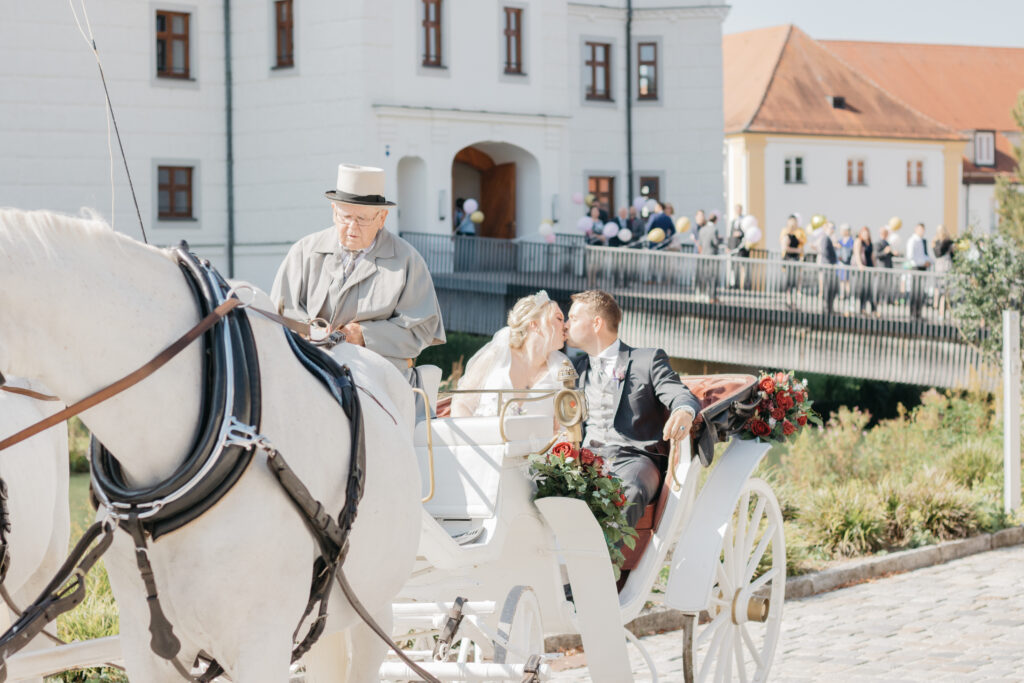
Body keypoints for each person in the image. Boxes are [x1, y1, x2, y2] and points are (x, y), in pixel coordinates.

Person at [271, 163, 446, 376]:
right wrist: (308, 331)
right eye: (345, 217)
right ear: (334, 212)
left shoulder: (408, 261)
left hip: (377, 380)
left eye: (362, 219)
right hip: (308, 369)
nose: (352, 227)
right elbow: (279, 312)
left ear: (381, 218)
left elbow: (422, 329)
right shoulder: (304, 251)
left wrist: (364, 335)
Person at [565, 290, 700, 529]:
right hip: (586, 458)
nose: (566, 325)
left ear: (597, 323)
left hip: (635, 460)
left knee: (630, 489)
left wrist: (683, 411)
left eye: (573, 318)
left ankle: (606, 561)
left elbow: (680, 394)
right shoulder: (575, 369)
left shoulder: (646, 360)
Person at [450, 291, 568, 418]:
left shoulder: (562, 369)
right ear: (534, 324)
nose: (566, 326)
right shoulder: (495, 356)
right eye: (559, 318)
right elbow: (461, 404)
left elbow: (567, 424)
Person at [906, 222, 932, 319]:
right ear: (916, 229)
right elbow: (911, 257)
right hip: (916, 267)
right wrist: (922, 262)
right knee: (915, 291)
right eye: (920, 229)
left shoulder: (922, 241)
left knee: (920, 292)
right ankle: (913, 313)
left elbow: (924, 255)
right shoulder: (912, 241)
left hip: (922, 267)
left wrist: (929, 261)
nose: (922, 232)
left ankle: (918, 313)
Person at [779, 215, 804, 310]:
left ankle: (792, 302)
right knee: (789, 282)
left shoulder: (795, 236)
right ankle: (789, 301)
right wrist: (797, 251)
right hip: (790, 260)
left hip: (795, 261)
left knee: (794, 282)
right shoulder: (787, 236)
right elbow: (785, 248)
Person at [851, 226, 877, 316]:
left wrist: (875, 267)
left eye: (867, 233)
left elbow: (872, 256)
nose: (866, 235)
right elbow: (857, 254)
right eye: (864, 233)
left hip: (869, 268)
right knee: (862, 288)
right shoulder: (859, 241)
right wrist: (860, 265)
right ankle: (861, 308)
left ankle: (873, 309)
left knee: (869, 289)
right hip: (862, 268)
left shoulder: (870, 243)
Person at [697, 211, 721, 302]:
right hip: (712, 255)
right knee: (713, 276)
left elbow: (700, 243)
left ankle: (704, 294)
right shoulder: (714, 229)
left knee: (705, 276)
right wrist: (720, 240)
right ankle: (712, 296)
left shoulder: (702, 229)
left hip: (704, 254)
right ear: (715, 221)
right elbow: (715, 243)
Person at [931, 224, 954, 317]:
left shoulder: (946, 242)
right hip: (942, 267)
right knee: (940, 289)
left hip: (943, 266)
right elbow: (938, 253)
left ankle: (941, 310)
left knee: (943, 290)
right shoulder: (942, 242)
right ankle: (938, 307)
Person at [873, 226, 895, 306]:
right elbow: (877, 255)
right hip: (881, 268)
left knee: (886, 286)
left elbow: (889, 255)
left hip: (888, 267)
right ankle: (877, 301)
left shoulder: (887, 243)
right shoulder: (878, 243)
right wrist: (885, 252)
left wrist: (893, 253)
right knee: (879, 286)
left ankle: (885, 301)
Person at [837, 224, 854, 301]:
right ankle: (841, 295)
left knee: (847, 280)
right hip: (840, 262)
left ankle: (847, 295)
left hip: (847, 263)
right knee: (841, 280)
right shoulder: (840, 240)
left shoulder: (851, 240)